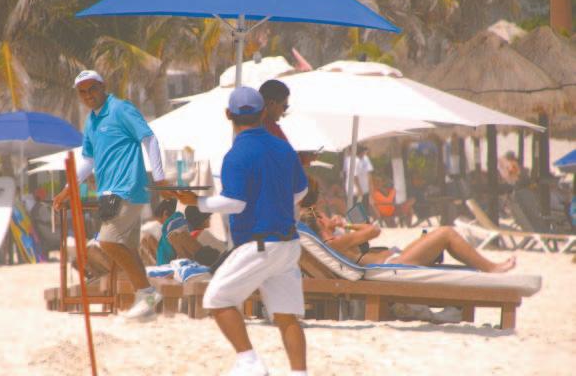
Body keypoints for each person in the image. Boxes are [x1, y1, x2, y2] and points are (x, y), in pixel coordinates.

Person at [176, 86, 309, 376]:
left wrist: (197, 202)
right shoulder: (283, 147)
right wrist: (272, 200)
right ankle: (299, 373)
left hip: (259, 244)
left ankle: (249, 362)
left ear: (228, 115)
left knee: (217, 299)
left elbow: (235, 203)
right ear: (263, 113)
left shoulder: (236, 154)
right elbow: (301, 191)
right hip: (288, 243)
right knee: (287, 316)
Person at [53, 69, 172, 321]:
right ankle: (147, 306)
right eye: (82, 92)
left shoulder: (120, 109)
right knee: (127, 248)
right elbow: (88, 161)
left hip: (128, 188)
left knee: (107, 242)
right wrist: (67, 189)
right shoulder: (91, 121)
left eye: (92, 89)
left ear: (103, 86)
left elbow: (149, 139)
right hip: (108, 193)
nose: (88, 95)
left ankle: (148, 293)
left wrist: (159, 177)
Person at [300, 207, 516, 273]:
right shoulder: (335, 243)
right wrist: (344, 226)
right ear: (320, 221)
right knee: (446, 233)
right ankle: (490, 267)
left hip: (395, 258)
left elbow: (369, 229)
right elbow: (373, 230)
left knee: (434, 236)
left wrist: (344, 225)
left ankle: (487, 266)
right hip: (393, 264)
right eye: (325, 215)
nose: (330, 216)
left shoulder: (336, 241)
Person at [154, 198, 186, 265]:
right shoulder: (180, 222)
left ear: (165, 213)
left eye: (161, 221)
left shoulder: (170, 226)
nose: (162, 224)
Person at [344, 145, 374, 212]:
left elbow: (369, 175)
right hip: (355, 192)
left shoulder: (365, 159)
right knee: (357, 213)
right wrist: (359, 190)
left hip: (364, 191)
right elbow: (354, 177)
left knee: (365, 211)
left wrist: (370, 191)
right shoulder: (352, 161)